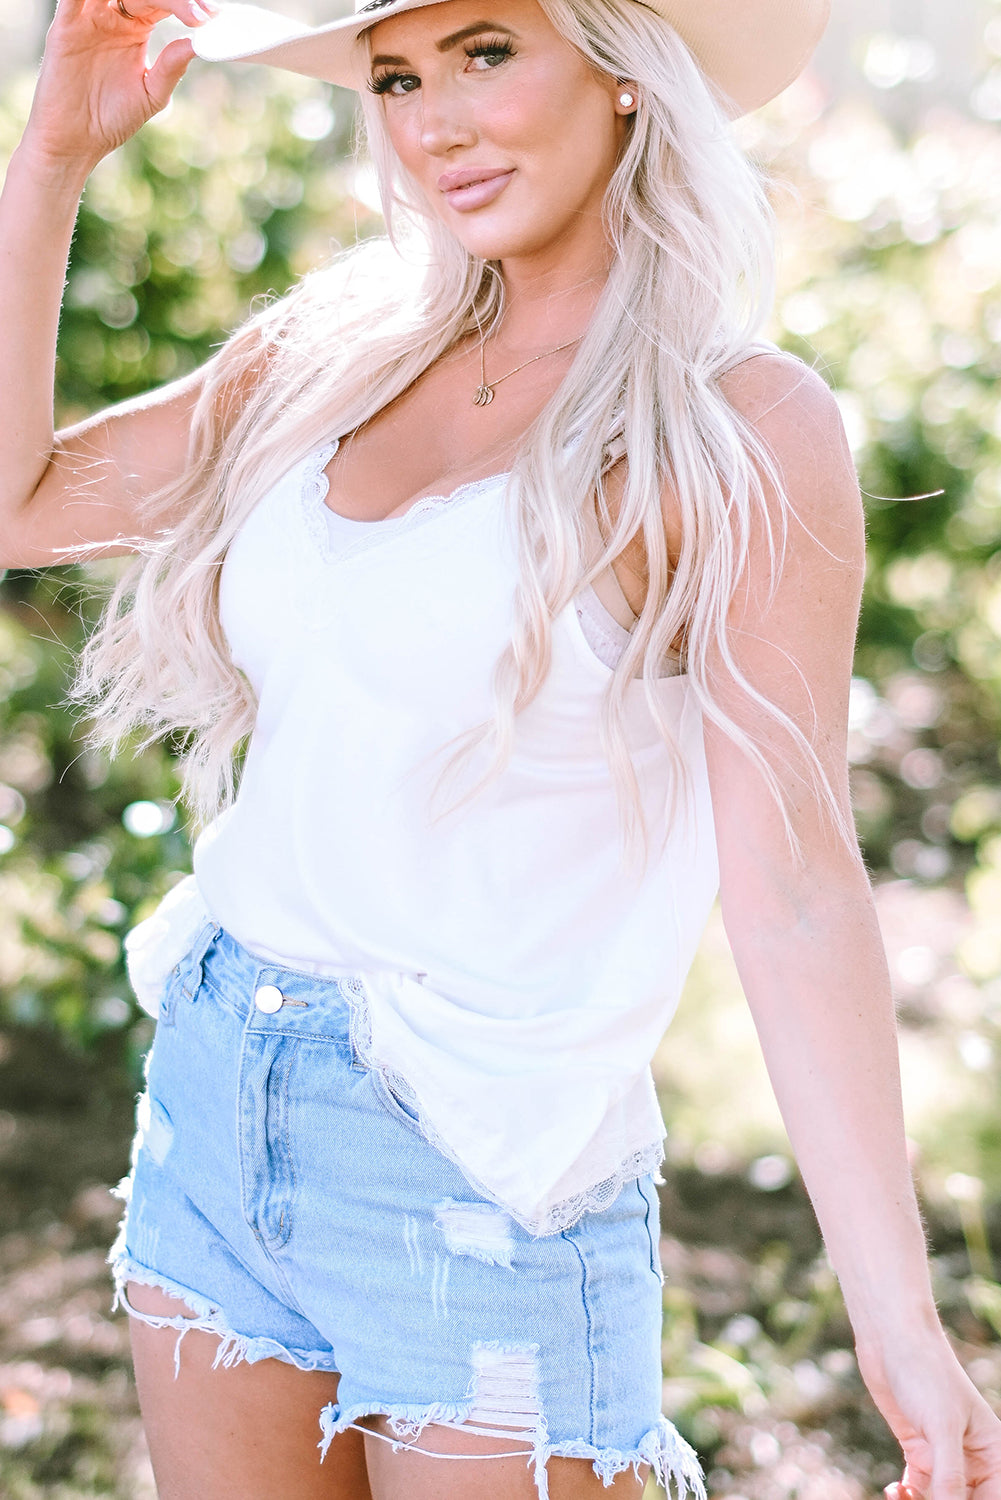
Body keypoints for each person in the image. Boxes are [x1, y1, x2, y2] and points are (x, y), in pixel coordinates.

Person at [1, 0, 1000, 1493]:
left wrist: (895, 1320)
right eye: (397, 76)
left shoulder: (731, 427)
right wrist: (56, 151)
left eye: (484, 51)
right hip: (222, 1093)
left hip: (484, 1165)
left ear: (619, 70)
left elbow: (790, 883)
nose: (433, 120)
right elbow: (17, 507)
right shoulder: (329, 357)